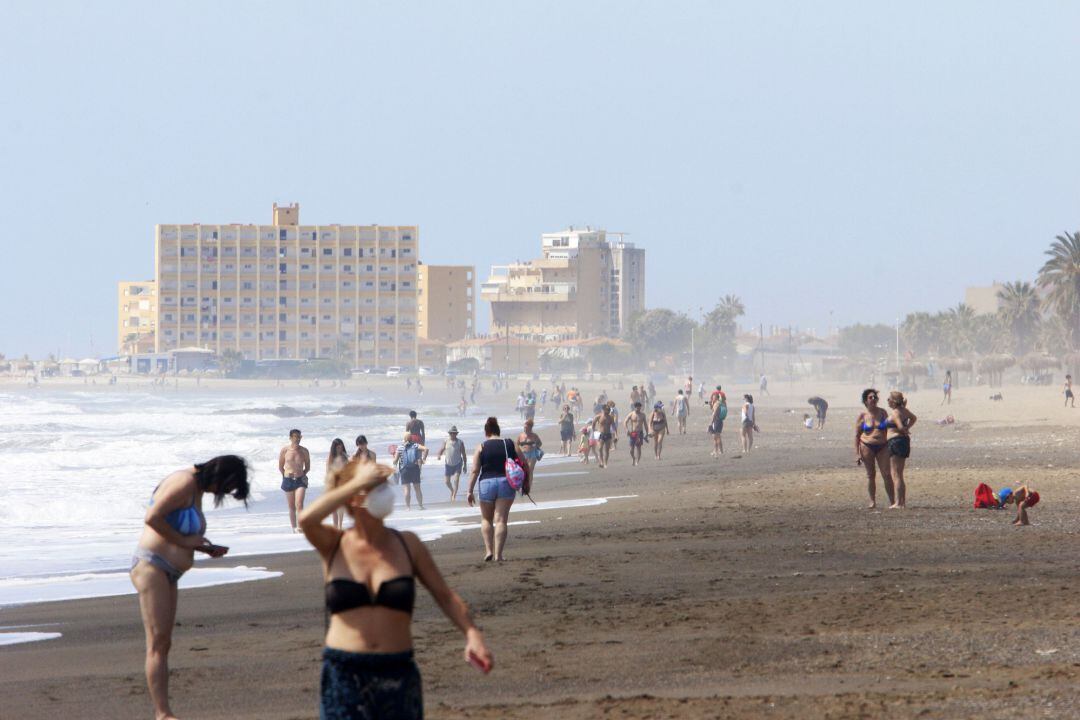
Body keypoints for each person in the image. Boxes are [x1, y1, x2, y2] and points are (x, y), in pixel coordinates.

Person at [299, 459, 493, 719]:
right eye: (375, 486)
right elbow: (306, 519)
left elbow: (445, 596)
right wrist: (358, 482)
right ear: (355, 497)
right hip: (344, 672)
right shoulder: (333, 544)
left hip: (397, 672)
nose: (385, 491)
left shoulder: (408, 544)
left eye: (384, 485)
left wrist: (472, 633)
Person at [130, 456, 249, 720]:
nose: (222, 493)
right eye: (226, 488)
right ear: (220, 475)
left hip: (168, 571)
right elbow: (152, 517)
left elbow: (176, 529)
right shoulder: (184, 482)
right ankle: (162, 714)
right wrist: (186, 540)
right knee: (158, 642)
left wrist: (199, 546)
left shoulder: (196, 488)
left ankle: (164, 712)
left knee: (164, 642)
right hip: (152, 565)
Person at [467, 417, 531, 561]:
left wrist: (469, 491)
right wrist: (526, 482)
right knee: (501, 520)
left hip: (486, 484)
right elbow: (524, 464)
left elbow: (475, 471)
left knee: (486, 519)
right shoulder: (509, 443)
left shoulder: (481, 446)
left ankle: (489, 551)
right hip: (505, 482)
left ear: (486, 433)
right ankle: (498, 555)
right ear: (498, 431)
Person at [855, 388, 895, 509]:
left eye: (875, 397)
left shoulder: (883, 413)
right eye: (870, 397)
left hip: (883, 446)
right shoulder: (862, 416)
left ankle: (893, 501)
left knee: (887, 474)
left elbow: (890, 428)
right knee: (870, 475)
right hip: (867, 445)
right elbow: (857, 435)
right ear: (865, 401)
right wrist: (857, 454)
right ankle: (872, 501)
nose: (873, 399)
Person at [886, 391, 918, 509]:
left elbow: (899, 425)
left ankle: (898, 503)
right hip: (904, 441)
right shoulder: (905, 410)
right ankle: (902, 502)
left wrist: (904, 429)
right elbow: (914, 418)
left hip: (895, 441)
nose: (887, 401)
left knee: (896, 474)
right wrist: (908, 427)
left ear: (893, 401)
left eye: (888, 399)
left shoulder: (895, 412)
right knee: (900, 473)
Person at [279, 429, 311, 532]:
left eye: (299, 437)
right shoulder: (285, 450)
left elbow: (307, 467)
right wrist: (285, 476)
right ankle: (293, 528)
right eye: (295, 436)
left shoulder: (304, 451)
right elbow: (280, 466)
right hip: (288, 479)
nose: (297, 439)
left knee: (299, 504)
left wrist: (302, 474)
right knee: (291, 506)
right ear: (290, 438)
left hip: (300, 480)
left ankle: (301, 527)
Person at [394, 433, 429, 510]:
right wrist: (423, 459)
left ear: (404, 439)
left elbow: (395, 461)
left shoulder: (400, 447)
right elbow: (426, 449)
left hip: (404, 470)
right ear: (411, 439)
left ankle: (408, 507)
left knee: (407, 489)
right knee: (417, 489)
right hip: (415, 468)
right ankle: (421, 506)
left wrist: (394, 456)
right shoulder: (415, 445)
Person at [437, 426, 467, 502]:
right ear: (449, 433)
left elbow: (463, 454)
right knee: (447, 482)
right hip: (448, 464)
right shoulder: (446, 441)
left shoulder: (460, 442)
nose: (453, 434)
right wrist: (439, 455)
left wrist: (465, 465)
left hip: (458, 463)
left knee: (456, 480)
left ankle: (454, 495)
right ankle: (452, 490)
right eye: (451, 433)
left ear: (456, 434)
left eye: (454, 433)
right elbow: (442, 449)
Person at [326, 438, 351, 529]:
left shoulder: (345, 456)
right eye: (338, 448)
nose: (339, 449)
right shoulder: (330, 458)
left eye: (341, 447)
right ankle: (335, 526)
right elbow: (328, 472)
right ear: (334, 448)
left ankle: (340, 525)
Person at [591, 404, 617, 468]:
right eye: (607, 410)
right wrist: (594, 431)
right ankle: (601, 462)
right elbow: (593, 423)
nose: (608, 411)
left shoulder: (610, 417)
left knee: (607, 450)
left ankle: (605, 463)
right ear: (603, 410)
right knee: (600, 448)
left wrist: (616, 434)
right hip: (600, 434)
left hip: (608, 434)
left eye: (608, 410)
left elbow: (613, 425)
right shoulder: (598, 416)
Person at [623, 401, 648, 466]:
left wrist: (647, 433)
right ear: (635, 407)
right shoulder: (631, 414)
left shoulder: (643, 415)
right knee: (631, 449)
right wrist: (627, 430)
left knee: (638, 447)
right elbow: (625, 421)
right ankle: (633, 458)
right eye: (637, 408)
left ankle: (637, 461)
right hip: (633, 433)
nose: (638, 409)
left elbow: (645, 424)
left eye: (639, 408)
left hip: (640, 433)